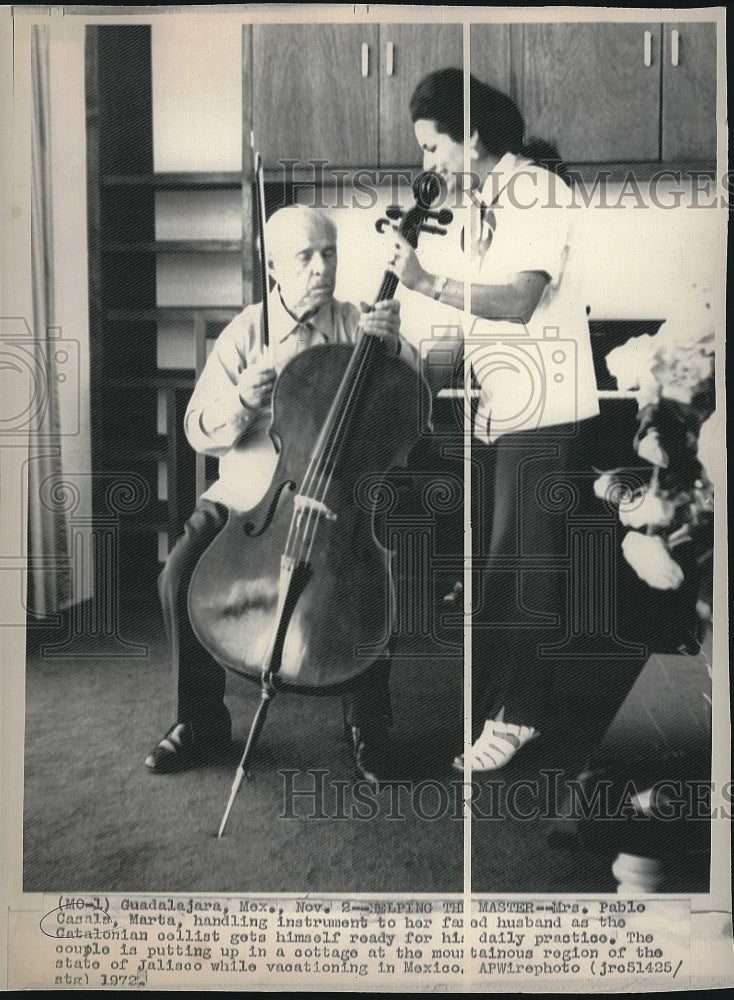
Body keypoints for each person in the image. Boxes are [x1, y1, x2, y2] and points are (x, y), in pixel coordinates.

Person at [386, 67, 618, 772]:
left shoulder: (537, 192)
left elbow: (518, 301)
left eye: (433, 148)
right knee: (497, 566)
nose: (428, 164)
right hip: (511, 406)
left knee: (524, 567)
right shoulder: (492, 198)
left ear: (472, 138)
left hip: (544, 405)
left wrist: (425, 280)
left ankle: (518, 718)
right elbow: (492, 320)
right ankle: (502, 706)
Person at [146, 205, 409, 785]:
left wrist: (391, 350)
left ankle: (369, 724)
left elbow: (406, 405)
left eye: (330, 253)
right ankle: (200, 722)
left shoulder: (357, 324)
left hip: (335, 497)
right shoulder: (245, 332)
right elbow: (197, 430)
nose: (322, 267)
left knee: (371, 582)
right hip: (247, 500)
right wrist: (241, 399)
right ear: (272, 267)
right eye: (305, 256)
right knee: (177, 574)